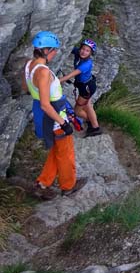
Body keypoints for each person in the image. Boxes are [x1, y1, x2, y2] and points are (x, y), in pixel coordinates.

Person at [22, 31, 87, 199]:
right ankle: (68, 186)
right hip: (54, 117)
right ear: (46, 50)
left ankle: (43, 184)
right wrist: (64, 124)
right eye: (54, 50)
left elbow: (26, 89)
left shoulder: (29, 65)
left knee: (56, 150)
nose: (56, 53)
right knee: (66, 153)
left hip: (42, 115)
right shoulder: (43, 72)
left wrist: (41, 90)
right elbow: (46, 104)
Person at [59, 39, 102, 137]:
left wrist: (58, 80)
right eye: (83, 49)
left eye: (87, 51)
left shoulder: (87, 64)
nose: (84, 52)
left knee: (77, 111)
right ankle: (95, 126)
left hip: (85, 88)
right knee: (88, 106)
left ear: (91, 53)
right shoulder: (78, 53)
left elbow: (71, 75)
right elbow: (68, 47)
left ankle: (92, 124)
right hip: (89, 85)